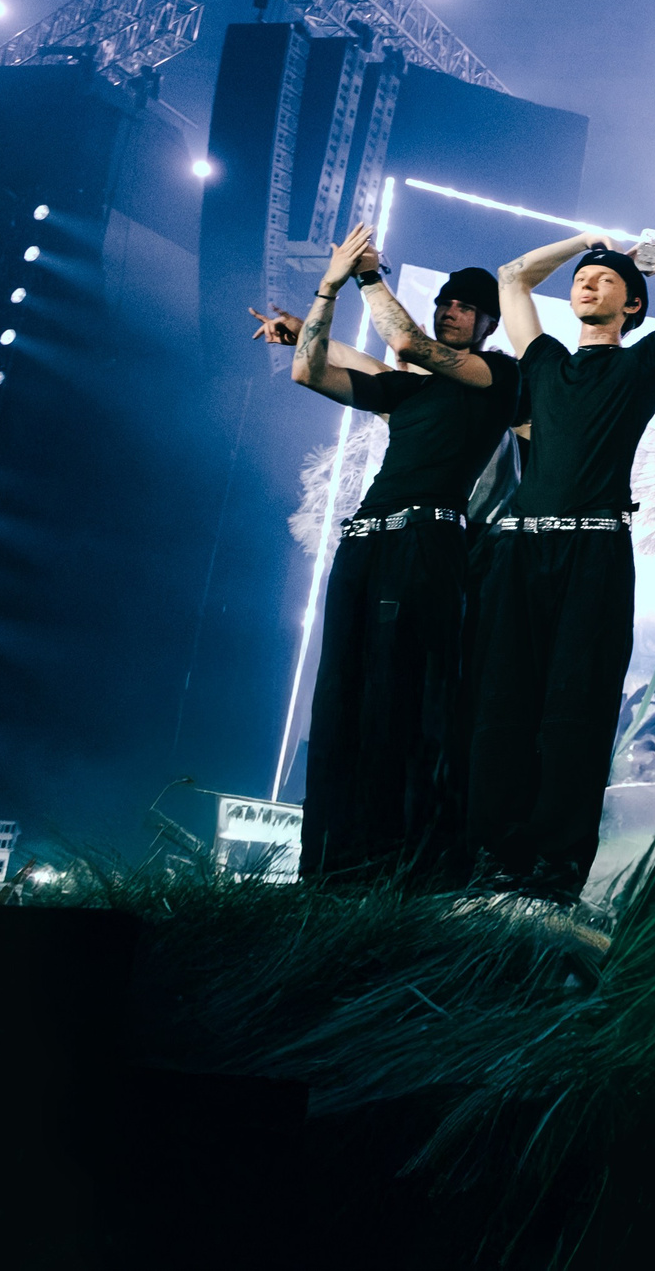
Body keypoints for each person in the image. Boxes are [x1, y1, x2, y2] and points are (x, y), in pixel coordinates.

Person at [253, 221, 517, 883]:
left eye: (464, 305)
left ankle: (406, 863)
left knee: (404, 697)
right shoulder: (411, 390)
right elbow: (306, 369)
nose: (449, 309)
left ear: (486, 321)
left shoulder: (496, 377)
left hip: (427, 541)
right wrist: (326, 292)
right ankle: (332, 866)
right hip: (365, 539)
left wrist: (366, 273)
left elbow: (403, 342)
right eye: (444, 302)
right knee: (341, 690)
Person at [465, 231, 655, 900]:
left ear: (633, 305)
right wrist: (586, 241)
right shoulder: (543, 359)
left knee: (576, 711)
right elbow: (513, 274)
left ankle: (556, 866)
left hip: (596, 552)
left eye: (605, 280)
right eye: (582, 277)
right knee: (501, 705)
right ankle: (494, 852)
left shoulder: (641, 365)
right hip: (521, 550)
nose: (587, 283)